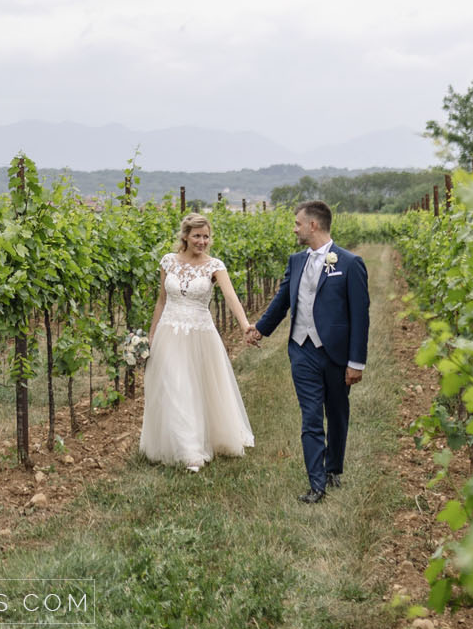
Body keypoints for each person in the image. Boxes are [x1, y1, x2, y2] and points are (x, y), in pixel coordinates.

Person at [244, 200, 369, 503]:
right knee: (311, 416)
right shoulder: (295, 260)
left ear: (313, 225)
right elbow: (282, 299)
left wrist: (356, 363)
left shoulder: (350, 263)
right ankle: (316, 483)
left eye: (297, 223)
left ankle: (333, 469)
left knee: (337, 413)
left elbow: (360, 316)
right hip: (302, 351)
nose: (295, 228)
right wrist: (260, 328)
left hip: (337, 354)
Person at [138, 212, 257, 472]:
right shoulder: (168, 261)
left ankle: (198, 444)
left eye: (206, 236)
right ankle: (188, 450)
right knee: (175, 386)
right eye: (197, 236)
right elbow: (161, 300)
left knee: (196, 387)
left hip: (200, 334)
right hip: (169, 332)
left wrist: (245, 325)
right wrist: (152, 333)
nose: (202, 241)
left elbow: (231, 297)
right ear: (185, 236)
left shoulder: (214, 265)